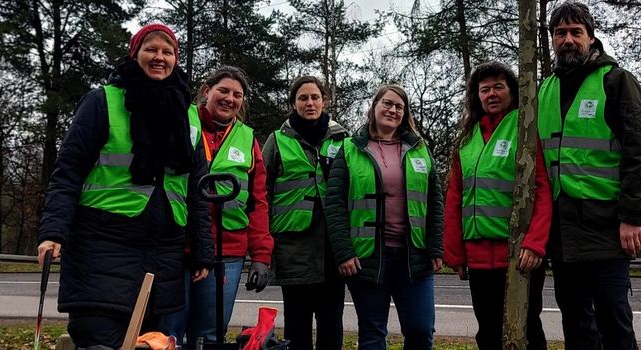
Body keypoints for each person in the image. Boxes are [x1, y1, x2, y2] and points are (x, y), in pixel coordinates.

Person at [36, 23, 213, 349]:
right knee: (99, 342)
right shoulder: (102, 101)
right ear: (136, 55)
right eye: (151, 49)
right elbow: (68, 171)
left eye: (167, 51)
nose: (159, 57)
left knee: (149, 344)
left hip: (162, 257)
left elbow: (196, 189)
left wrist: (202, 250)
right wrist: (53, 231)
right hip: (101, 248)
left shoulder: (188, 114)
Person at [538, 2, 641, 349]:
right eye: (561, 33)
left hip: (607, 225)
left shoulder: (616, 81)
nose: (568, 40)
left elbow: (640, 151)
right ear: (552, 40)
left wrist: (632, 217)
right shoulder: (544, 90)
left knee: (613, 318)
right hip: (561, 231)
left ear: (591, 37)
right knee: (575, 322)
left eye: (576, 32)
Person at [442, 61, 552, 350]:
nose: (491, 94)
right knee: (488, 333)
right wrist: (454, 252)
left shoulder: (525, 129)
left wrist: (535, 243)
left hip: (518, 256)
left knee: (527, 330)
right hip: (477, 257)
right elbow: (455, 197)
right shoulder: (466, 140)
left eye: (498, 87)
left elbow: (541, 188)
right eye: (485, 89)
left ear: (512, 92)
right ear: (476, 96)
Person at [325, 84, 444, 350]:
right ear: (374, 107)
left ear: (405, 114)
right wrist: (344, 252)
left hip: (414, 256)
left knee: (421, 330)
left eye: (399, 107)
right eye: (387, 104)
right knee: (372, 333)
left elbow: (435, 201)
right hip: (368, 257)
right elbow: (333, 204)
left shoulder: (419, 149)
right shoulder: (349, 149)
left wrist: (435, 246)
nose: (392, 110)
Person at [181, 66, 274, 348]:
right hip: (178, 245)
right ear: (207, 91)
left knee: (210, 335)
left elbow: (258, 202)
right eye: (223, 91)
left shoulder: (248, 139)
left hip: (228, 250)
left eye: (237, 95)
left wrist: (261, 255)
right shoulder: (181, 120)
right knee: (167, 331)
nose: (229, 99)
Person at [262, 76, 347, 350]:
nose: (309, 103)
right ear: (293, 103)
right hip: (293, 248)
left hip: (333, 250)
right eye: (303, 98)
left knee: (331, 325)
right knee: (296, 327)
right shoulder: (276, 142)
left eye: (315, 97)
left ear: (325, 101)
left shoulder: (344, 140)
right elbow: (262, 194)